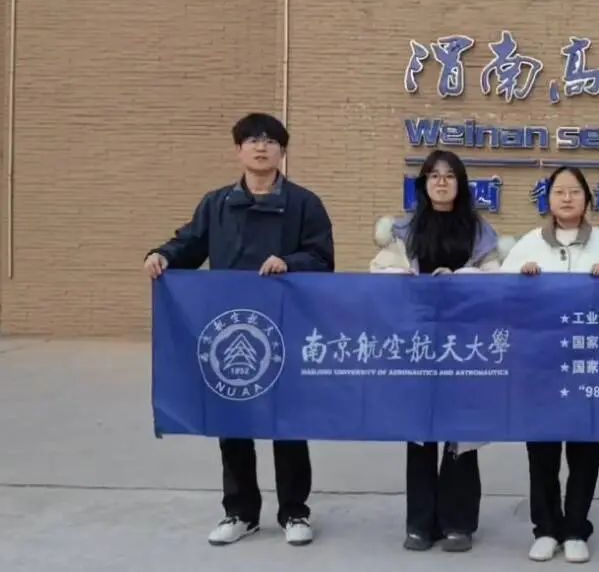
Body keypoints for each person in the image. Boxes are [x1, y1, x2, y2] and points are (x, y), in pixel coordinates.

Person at [143, 112, 334, 548]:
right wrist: (162, 256)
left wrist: (290, 262)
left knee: (288, 424)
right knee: (232, 422)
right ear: (238, 150)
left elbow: (323, 258)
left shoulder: (305, 204)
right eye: (252, 140)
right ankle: (241, 512)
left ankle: (295, 512)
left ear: (282, 151)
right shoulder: (217, 204)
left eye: (270, 140)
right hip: (229, 332)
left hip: (285, 329)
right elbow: (189, 243)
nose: (261, 147)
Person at [499, 166, 599, 564]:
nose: (566, 198)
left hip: (589, 362)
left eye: (574, 191)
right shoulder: (529, 244)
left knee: (584, 448)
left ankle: (576, 528)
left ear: (587, 200)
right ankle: (545, 528)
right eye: (559, 191)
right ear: (547, 200)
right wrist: (522, 280)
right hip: (541, 363)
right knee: (542, 449)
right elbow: (502, 294)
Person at [368, 149, 504, 553]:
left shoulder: (480, 231)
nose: (441, 182)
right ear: (423, 184)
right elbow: (380, 272)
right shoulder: (403, 230)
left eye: (449, 176)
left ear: (460, 184)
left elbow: (496, 277)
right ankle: (420, 523)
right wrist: (410, 280)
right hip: (418, 341)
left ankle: (459, 523)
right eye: (433, 175)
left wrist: (460, 278)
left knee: (461, 433)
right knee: (420, 433)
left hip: (464, 342)